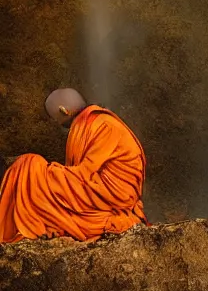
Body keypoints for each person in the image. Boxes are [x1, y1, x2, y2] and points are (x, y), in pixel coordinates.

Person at [0, 88, 148, 244]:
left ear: (63, 111)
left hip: (109, 196)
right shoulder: (90, 123)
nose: (56, 122)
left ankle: (14, 229)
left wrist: (52, 171)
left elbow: (85, 173)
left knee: (28, 166)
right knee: (31, 168)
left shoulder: (105, 126)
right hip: (96, 190)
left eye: (55, 118)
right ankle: (33, 222)